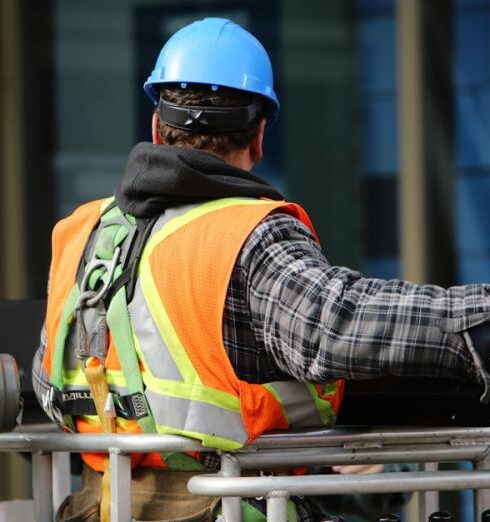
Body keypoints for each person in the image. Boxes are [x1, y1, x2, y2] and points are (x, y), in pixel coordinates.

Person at [32, 17, 489, 522]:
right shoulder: (246, 235)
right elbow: (337, 326)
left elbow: (48, 375)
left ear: (158, 128)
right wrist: (478, 319)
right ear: (259, 136)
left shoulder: (80, 234)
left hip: (102, 507)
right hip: (220, 506)